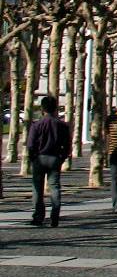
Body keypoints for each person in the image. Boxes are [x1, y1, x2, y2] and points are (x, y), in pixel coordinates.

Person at [26, 94, 72, 228]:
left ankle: (38, 216)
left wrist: (32, 158)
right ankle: (55, 216)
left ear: (42, 109)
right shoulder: (62, 125)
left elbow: (30, 145)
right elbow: (67, 145)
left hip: (39, 158)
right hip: (54, 158)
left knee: (37, 189)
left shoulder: (37, 125)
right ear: (56, 108)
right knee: (55, 187)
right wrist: (62, 157)